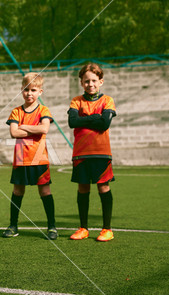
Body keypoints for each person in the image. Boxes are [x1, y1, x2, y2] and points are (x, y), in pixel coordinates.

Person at [3, 73, 57, 240]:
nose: (29, 93)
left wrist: (24, 126)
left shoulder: (43, 110)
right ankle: (13, 225)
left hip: (39, 159)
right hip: (21, 159)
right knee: (17, 191)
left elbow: (44, 129)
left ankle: (52, 227)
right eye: (26, 89)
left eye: (33, 90)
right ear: (21, 90)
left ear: (40, 91)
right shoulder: (16, 111)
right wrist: (35, 127)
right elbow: (13, 132)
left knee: (45, 191)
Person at [67, 63, 116, 242]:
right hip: (81, 153)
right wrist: (96, 117)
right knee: (83, 188)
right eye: (86, 81)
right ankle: (83, 228)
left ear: (101, 81)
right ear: (81, 82)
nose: (90, 84)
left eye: (94, 80)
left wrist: (84, 119)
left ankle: (107, 229)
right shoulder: (76, 101)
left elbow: (105, 124)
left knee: (103, 187)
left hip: (101, 153)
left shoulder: (107, 100)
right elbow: (73, 122)